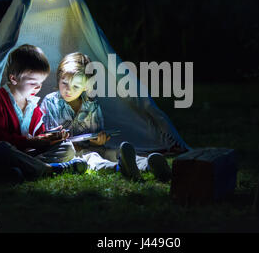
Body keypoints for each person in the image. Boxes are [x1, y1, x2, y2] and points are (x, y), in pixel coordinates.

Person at [40, 52, 172, 182]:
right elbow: (50, 138)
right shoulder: (51, 102)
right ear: (59, 79)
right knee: (92, 158)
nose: (68, 90)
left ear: (86, 86)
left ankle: (147, 164)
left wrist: (99, 140)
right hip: (71, 152)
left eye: (76, 86)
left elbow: (96, 133)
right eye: (64, 83)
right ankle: (119, 168)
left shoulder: (91, 104)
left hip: (91, 147)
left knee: (112, 153)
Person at [0, 44, 87, 182]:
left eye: (41, 82)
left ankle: (26, 171)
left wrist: (50, 137)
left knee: (67, 148)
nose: (39, 87)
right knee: (2, 149)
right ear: (14, 79)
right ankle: (49, 170)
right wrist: (32, 141)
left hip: (26, 156)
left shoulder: (34, 107)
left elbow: (38, 138)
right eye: (33, 82)